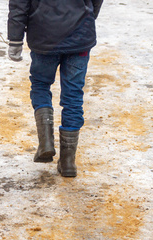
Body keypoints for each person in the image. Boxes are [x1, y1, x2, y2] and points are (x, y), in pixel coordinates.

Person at [7, 0, 104, 177]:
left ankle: (46, 143)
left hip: (44, 37)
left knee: (41, 84)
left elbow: (19, 6)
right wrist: (86, 16)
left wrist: (15, 40)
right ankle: (68, 163)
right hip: (80, 35)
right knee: (73, 95)